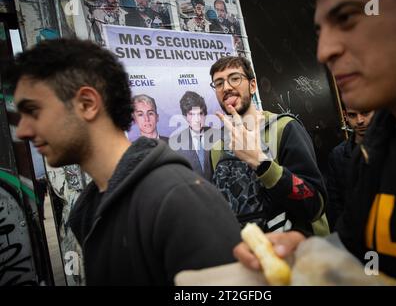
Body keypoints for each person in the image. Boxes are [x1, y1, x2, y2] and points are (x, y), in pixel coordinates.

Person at [234, 0, 396, 285]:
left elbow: (314, 201)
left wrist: (263, 165)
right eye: (321, 30)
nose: (324, 51)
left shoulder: (287, 129)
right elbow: (358, 249)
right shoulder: (375, 147)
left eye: (346, 17)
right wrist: (309, 251)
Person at [9, 38, 241, 285]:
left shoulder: (177, 197)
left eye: (33, 111)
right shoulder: (92, 209)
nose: (22, 130)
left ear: (87, 104)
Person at [209, 56, 329, 235]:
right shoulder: (217, 148)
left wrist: (261, 163)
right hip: (254, 255)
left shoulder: (284, 128)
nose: (226, 87)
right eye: (218, 83)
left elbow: (315, 205)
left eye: (234, 78)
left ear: (252, 85)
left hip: (302, 252)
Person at [325, 107, 375, 230]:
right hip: (356, 233)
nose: (359, 120)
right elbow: (335, 205)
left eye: (365, 112)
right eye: (353, 115)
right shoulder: (337, 155)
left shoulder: (392, 145)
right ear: (345, 116)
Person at [169, 91, 218, 180]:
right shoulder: (175, 144)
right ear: (185, 117)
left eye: (200, 113)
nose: (197, 119)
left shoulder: (218, 136)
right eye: (191, 114)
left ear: (205, 114)